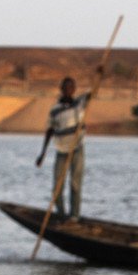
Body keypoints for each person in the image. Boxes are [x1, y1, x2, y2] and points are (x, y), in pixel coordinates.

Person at [35, 71, 101, 219]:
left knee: (75, 185)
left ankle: (74, 217)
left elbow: (93, 92)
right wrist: (42, 154)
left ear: (74, 90)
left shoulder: (80, 103)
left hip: (77, 148)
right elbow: (49, 131)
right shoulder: (55, 109)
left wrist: (98, 75)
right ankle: (61, 215)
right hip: (61, 150)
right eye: (65, 87)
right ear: (61, 89)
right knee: (57, 188)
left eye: (71, 87)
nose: (68, 90)